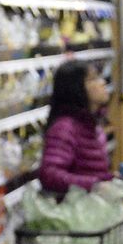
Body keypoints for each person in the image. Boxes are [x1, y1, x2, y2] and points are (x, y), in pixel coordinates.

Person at [37, 60, 113, 196]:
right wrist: (93, 185)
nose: (102, 82)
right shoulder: (65, 129)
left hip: (90, 211)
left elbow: (90, 172)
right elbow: (49, 174)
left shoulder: (93, 126)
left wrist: (114, 180)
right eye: (93, 79)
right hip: (75, 213)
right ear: (76, 88)